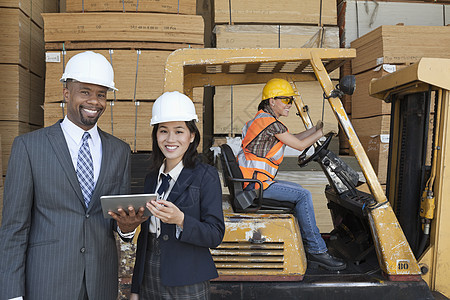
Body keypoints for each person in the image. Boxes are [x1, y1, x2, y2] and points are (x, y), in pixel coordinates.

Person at [0, 51, 147, 300]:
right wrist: (12, 294)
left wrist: (126, 229)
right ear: (67, 93)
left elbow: (115, 219)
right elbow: (14, 228)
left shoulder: (119, 151)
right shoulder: (29, 147)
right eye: (85, 92)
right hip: (47, 281)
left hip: (100, 283)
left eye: (101, 94)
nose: (94, 101)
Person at [237, 78, 346, 271]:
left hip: (254, 183)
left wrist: (317, 129)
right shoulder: (270, 124)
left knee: (298, 190)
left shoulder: (262, 120)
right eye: (286, 100)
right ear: (272, 101)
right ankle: (317, 250)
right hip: (258, 186)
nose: (289, 105)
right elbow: (300, 145)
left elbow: (294, 138)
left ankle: (304, 244)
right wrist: (322, 133)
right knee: (303, 195)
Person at [130, 91, 225, 300]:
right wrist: (136, 288)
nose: (170, 139)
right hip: (150, 275)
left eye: (179, 131)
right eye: (163, 131)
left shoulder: (205, 176)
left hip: (187, 277)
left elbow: (215, 234)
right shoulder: (151, 178)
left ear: (192, 136)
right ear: (156, 135)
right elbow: (145, 239)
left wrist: (181, 220)